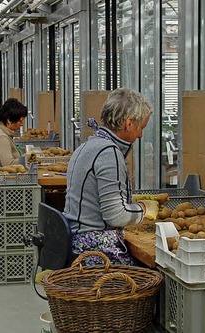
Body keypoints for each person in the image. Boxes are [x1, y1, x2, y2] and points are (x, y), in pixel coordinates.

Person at [62, 88, 157, 266]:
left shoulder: (89, 145)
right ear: (129, 123)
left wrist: (132, 200)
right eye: (141, 127)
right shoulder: (108, 152)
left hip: (75, 244)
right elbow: (115, 217)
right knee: (155, 277)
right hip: (95, 253)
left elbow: (97, 200)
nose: (140, 135)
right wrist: (143, 209)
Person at [0, 98, 27, 167]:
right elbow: (9, 164)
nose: (22, 124)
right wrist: (27, 158)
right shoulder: (1, 138)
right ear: (9, 120)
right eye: (20, 121)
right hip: (5, 177)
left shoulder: (5, 134)